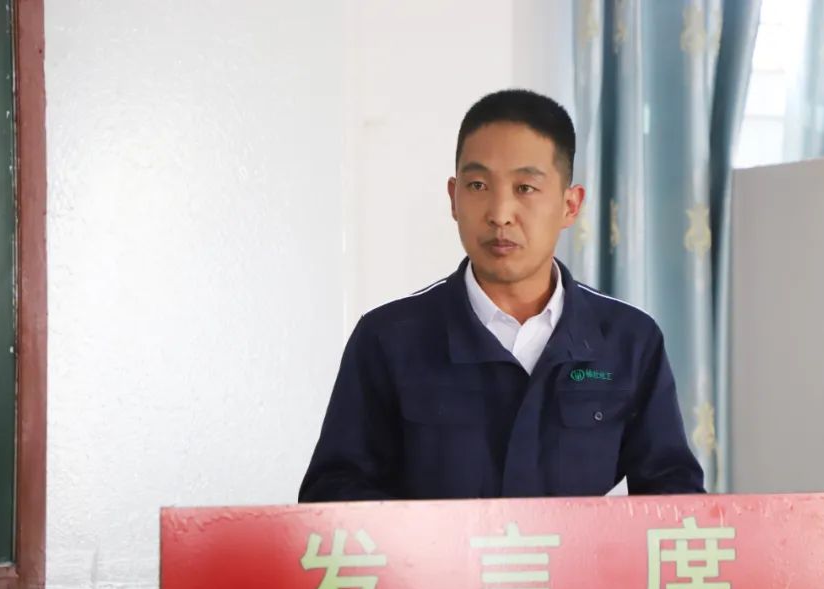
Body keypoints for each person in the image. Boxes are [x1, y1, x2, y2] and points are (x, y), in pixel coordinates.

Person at [298, 89, 703, 502]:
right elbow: (332, 497)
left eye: (525, 188)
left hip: (576, 551)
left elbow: (674, 498)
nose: (500, 214)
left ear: (570, 205)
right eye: (478, 185)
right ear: (454, 198)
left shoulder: (629, 339)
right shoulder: (387, 339)